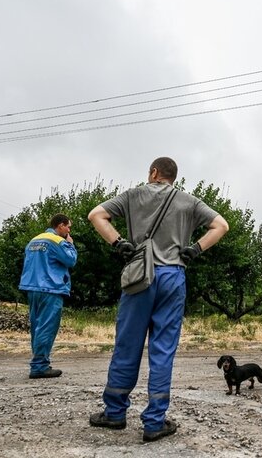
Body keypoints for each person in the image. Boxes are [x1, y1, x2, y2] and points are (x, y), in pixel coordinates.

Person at [87, 156, 229, 442]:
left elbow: (95, 215)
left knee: (127, 345)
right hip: (173, 276)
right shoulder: (189, 201)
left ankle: (115, 413)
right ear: (172, 177)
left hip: (141, 274)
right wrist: (195, 249)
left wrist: (120, 243)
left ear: (154, 172)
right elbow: (221, 225)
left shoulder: (132, 195)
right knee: (162, 350)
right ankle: (154, 422)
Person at [19, 213, 77, 379]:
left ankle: (38, 362)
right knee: (47, 327)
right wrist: (70, 245)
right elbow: (71, 260)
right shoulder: (58, 241)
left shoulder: (33, 240)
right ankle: (40, 366)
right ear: (60, 226)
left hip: (32, 288)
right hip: (51, 288)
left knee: (36, 327)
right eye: (68, 227)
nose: (69, 230)